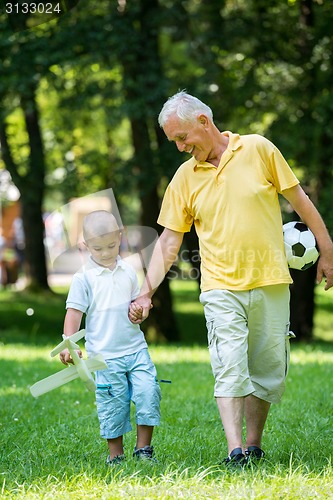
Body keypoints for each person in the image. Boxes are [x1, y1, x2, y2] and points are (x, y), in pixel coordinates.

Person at [129, 91, 333, 467]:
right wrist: (146, 292)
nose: (179, 147)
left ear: (203, 123)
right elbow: (170, 240)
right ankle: (234, 449)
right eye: (174, 140)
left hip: (271, 280)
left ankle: (253, 445)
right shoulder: (184, 178)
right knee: (230, 366)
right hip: (220, 286)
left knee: (267, 369)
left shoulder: (258, 149)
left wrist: (328, 249)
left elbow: (299, 199)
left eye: (182, 137)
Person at [60, 210, 161, 465]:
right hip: (105, 356)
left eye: (111, 246)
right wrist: (68, 344)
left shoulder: (128, 271)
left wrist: (138, 312)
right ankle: (116, 457)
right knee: (113, 404)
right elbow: (74, 313)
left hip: (136, 349)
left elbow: (135, 306)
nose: (105, 253)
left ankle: (143, 450)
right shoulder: (83, 278)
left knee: (149, 393)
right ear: (85, 246)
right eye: (97, 248)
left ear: (120, 236)